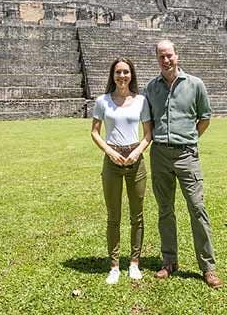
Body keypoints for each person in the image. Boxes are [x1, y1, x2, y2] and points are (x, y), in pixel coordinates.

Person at [144, 40, 223, 289]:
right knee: (165, 209)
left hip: (187, 154)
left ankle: (208, 267)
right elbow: (149, 122)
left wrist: (189, 140)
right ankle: (169, 261)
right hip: (159, 154)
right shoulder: (151, 88)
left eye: (169, 55)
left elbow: (205, 117)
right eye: (161, 57)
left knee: (197, 209)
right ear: (157, 59)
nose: (165, 60)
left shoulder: (195, 84)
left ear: (177, 56)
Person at [90, 57, 153, 284]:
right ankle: (114, 265)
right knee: (113, 216)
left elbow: (148, 133)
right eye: (118, 72)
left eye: (126, 72)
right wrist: (109, 151)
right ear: (112, 75)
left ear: (132, 75)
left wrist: (138, 151)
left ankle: (134, 262)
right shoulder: (102, 101)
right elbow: (95, 132)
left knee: (137, 215)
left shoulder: (141, 101)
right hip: (112, 159)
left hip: (135, 159)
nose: (122, 76)